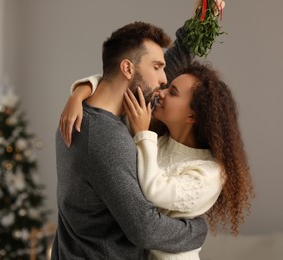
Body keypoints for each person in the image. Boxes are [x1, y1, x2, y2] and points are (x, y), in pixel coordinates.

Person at [52, 1, 226, 258]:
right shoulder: (105, 138)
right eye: (157, 67)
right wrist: (197, 230)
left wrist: (207, 11)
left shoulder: (88, 114)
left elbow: (177, 56)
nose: (164, 79)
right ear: (127, 68)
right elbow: (145, 229)